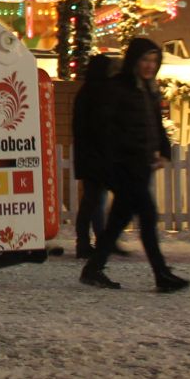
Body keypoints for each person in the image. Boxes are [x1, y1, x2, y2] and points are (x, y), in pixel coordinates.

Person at [79, 37, 188, 293]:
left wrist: (164, 151)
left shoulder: (147, 89)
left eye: (154, 60)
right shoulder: (118, 89)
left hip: (140, 164)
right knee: (148, 216)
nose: (150, 65)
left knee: (118, 220)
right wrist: (113, 159)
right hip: (125, 166)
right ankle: (161, 274)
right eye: (145, 60)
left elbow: (155, 123)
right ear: (134, 61)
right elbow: (103, 128)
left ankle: (93, 268)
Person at [70, 53, 122, 260]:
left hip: (88, 156)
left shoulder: (86, 92)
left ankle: (87, 242)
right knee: (94, 200)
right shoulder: (98, 93)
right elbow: (101, 128)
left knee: (91, 201)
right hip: (96, 156)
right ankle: (98, 241)